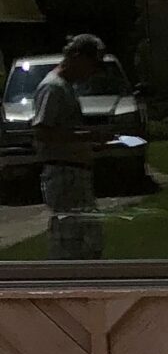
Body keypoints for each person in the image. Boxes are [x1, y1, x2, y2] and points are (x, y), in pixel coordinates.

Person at [31, 33, 104, 261]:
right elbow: (42, 131)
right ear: (78, 57)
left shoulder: (66, 87)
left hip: (76, 172)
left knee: (90, 239)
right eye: (93, 64)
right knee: (70, 241)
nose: (92, 72)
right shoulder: (53, 88)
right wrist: (85, 136)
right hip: (64, 173)